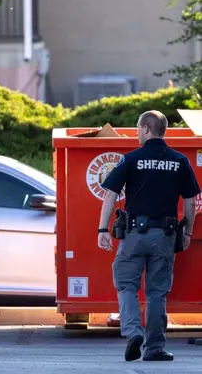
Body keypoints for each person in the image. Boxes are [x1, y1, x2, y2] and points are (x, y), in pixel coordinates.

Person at [97, 110, 200, 362]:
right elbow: (190, 200)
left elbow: (110, 193)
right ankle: (154, 348)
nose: (135, 133)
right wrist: (187, 232)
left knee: (126, 285)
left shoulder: (131, 159)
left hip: (133, 235)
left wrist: (102, 229)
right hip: (165, 236)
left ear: (145, 129)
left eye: (136, 128)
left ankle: (133, 332)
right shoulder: (180, 161)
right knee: (157, 293)